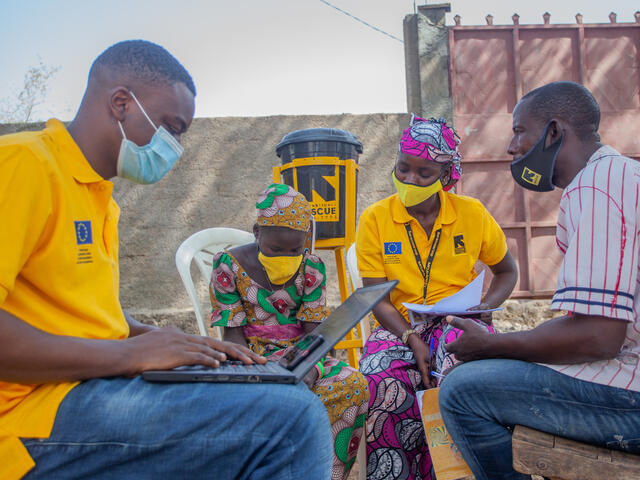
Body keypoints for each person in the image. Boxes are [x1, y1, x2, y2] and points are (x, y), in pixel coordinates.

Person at [0, 40, 331, 480]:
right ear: (121, 103)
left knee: (280, 388)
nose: (174, 146)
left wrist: (171, 340)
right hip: (28, 413)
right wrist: (131, 354)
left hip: (82, 385)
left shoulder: (100, 199)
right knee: (291, 423)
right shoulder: (24, 164)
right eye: (171, 128)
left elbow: (83, 318)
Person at [439, 81, 640, 480]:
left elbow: (599, 337)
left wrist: (493, 347)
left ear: (553, 131)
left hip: (632, 395)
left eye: (518, 131)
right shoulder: (620, 173)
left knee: (462, 390)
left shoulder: (596, 187)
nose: (512, 147)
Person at [355, 116, 518, 479]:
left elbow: (507, 271)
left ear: (446, 176)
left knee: (462, 377)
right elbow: (376, 298)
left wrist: (487, 306)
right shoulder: (375, 219)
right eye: (403, 168)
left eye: (424, 173)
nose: (410, 180)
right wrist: (411, 340)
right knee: (381, 381)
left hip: (457, 320)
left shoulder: (472, 214)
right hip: (397, 325)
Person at [210, 183, 369, 480]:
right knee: (258, 398)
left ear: (306, 242)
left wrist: (308, 367)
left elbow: (317, 333)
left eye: (295, 249)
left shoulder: (311, 266)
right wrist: (260, 370)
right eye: (275, 249)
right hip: (250, 357)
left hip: (304, 353)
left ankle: (328, 474)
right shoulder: (228, 265)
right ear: (257, 233)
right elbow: (231, 337)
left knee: (353, 384)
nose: (286, 256)